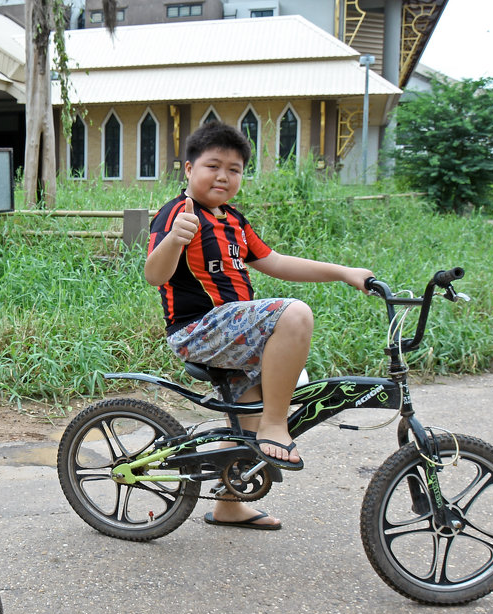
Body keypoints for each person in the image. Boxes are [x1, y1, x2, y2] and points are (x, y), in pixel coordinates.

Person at [145, 121, 372, 531]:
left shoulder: (233, 220)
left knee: (246, 420)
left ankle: (230, 503)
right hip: (199, 329)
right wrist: (174, 239)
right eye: (213, 165)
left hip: (233, 333)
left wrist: (344, 271)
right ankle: (275, 424)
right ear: (188, 168)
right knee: (295, 315)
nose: (223, 176)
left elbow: (276, 263)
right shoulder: (179, 213)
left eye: (234, 169)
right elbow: (155, 276)